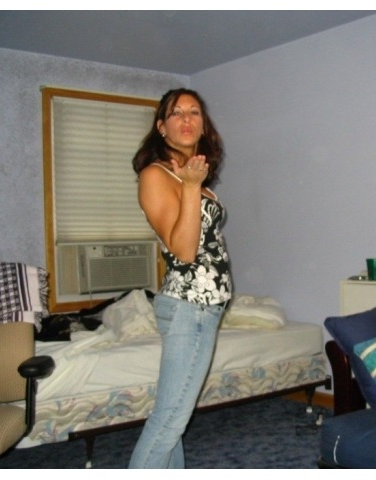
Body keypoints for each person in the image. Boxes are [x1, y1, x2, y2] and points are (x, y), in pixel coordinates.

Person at [128, 88, 233, 468]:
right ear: (161, 126)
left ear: (203, 125)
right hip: (190, 307)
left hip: (204, 309)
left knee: (173, 419)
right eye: (177, 113)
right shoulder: (155, 175)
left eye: (194, 112)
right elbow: (184, 251)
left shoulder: (192, 178)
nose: (187, 120)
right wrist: (190, 187)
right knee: (169, 420)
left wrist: (192, 184)